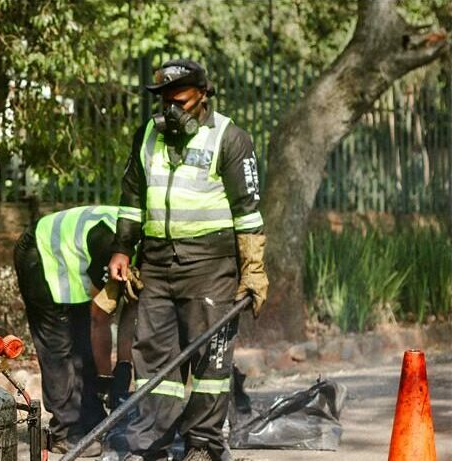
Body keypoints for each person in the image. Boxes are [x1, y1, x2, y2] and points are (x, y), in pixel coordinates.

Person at [108, 59, 269, 461]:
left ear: (202, 96)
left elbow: (248, 213)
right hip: (157, 265)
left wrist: (253, 270)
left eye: (178, 101)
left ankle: (201, 444)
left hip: (210, 266)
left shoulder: (230, 138)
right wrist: (123, 249)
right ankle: (151, 445)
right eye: (163, 102)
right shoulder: (147, 136)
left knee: (210, 362)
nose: (169, 110)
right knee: (154, 361)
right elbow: (131, 199)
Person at [14, 205, 141, 457]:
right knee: (59, 346)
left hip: (72, 263)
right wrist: (106, 380)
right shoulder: (112, 243)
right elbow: (99, 318)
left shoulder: (145, 252)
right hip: (39, 252)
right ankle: (66, 432)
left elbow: (131, 313)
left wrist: (124, 367)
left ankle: (92, 420)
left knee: (81, 344)